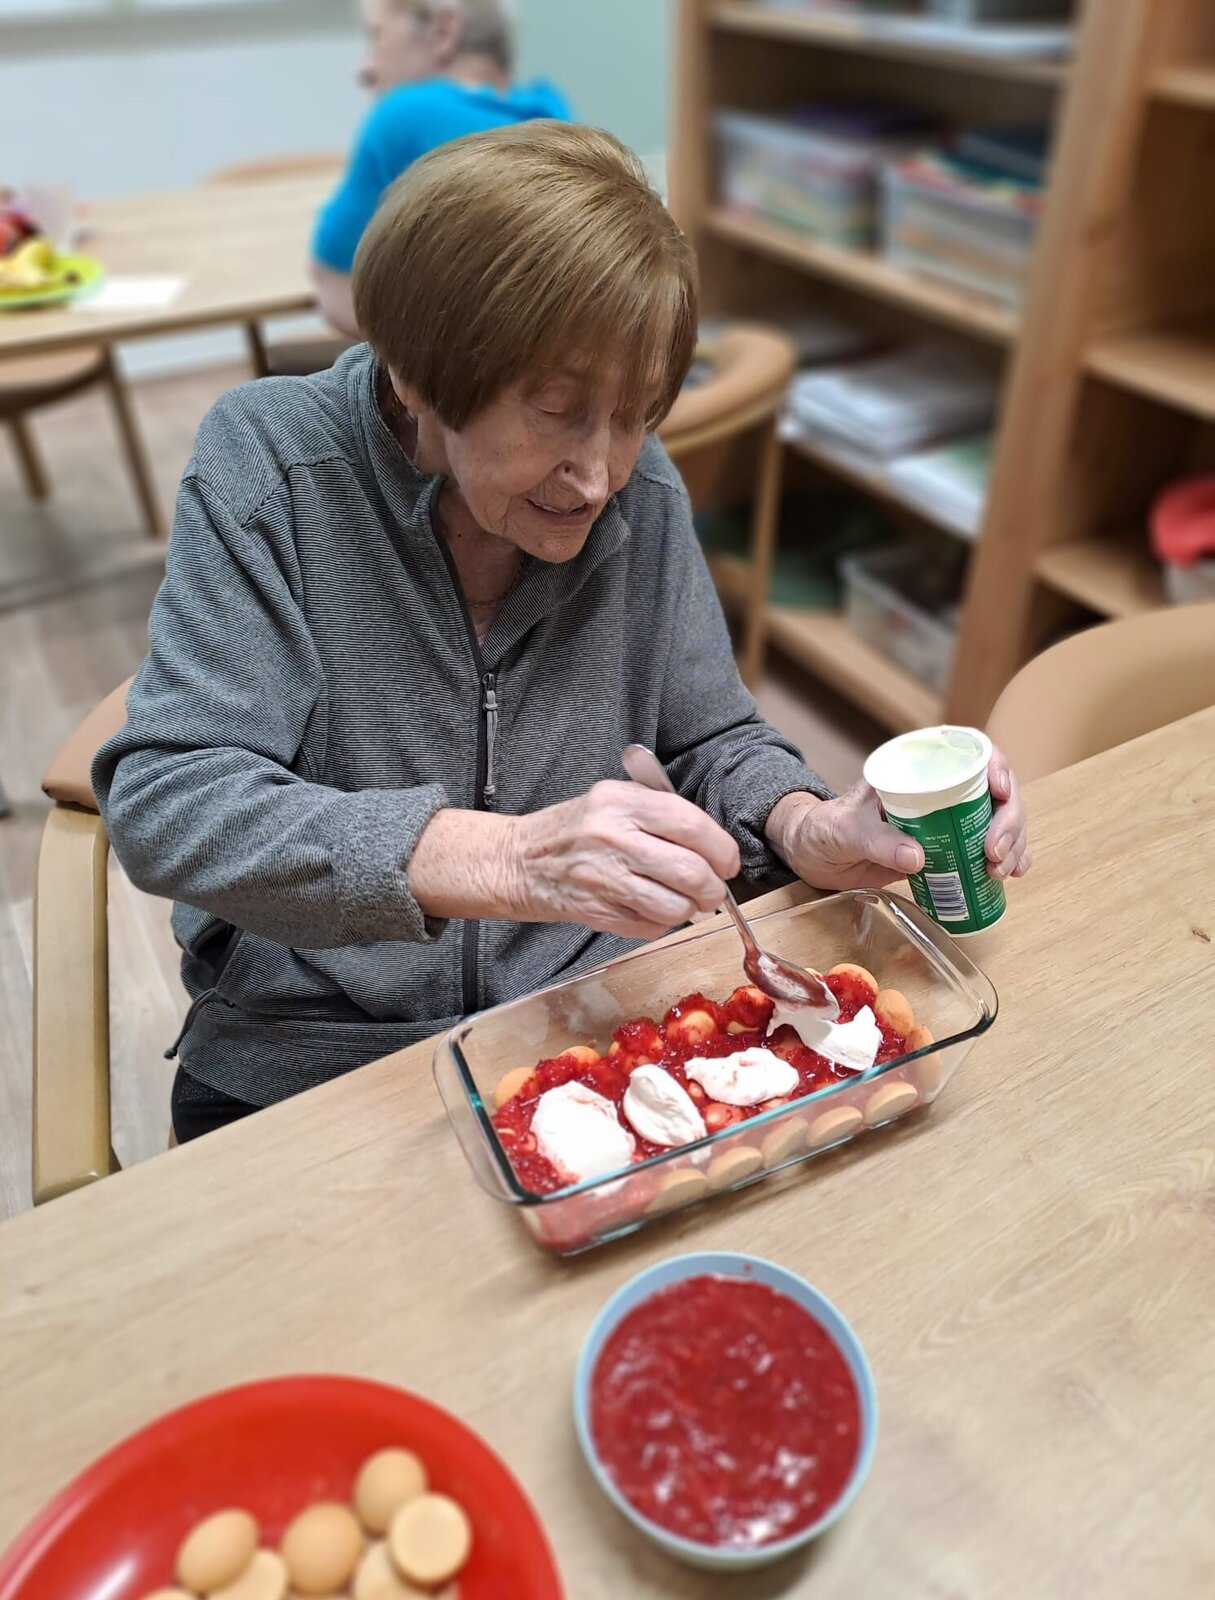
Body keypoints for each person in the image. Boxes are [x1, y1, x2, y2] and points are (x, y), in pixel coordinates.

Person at [94, 123, 1030, 1144]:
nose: (600, 475)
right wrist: (512, 860)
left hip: (583, 1023)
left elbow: (709, 737)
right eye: (555, 410)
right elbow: (172, 800)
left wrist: (806, 824)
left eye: (635, 414)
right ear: (414, 374)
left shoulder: (640, 489)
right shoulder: (271, 468)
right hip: (311, 1057)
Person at [312, 0, 572, 338]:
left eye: (377, 36)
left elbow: (337, 293)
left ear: (444, 31)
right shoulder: (555, 113)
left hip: (449, 362)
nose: (366, 68)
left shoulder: (404, 115)